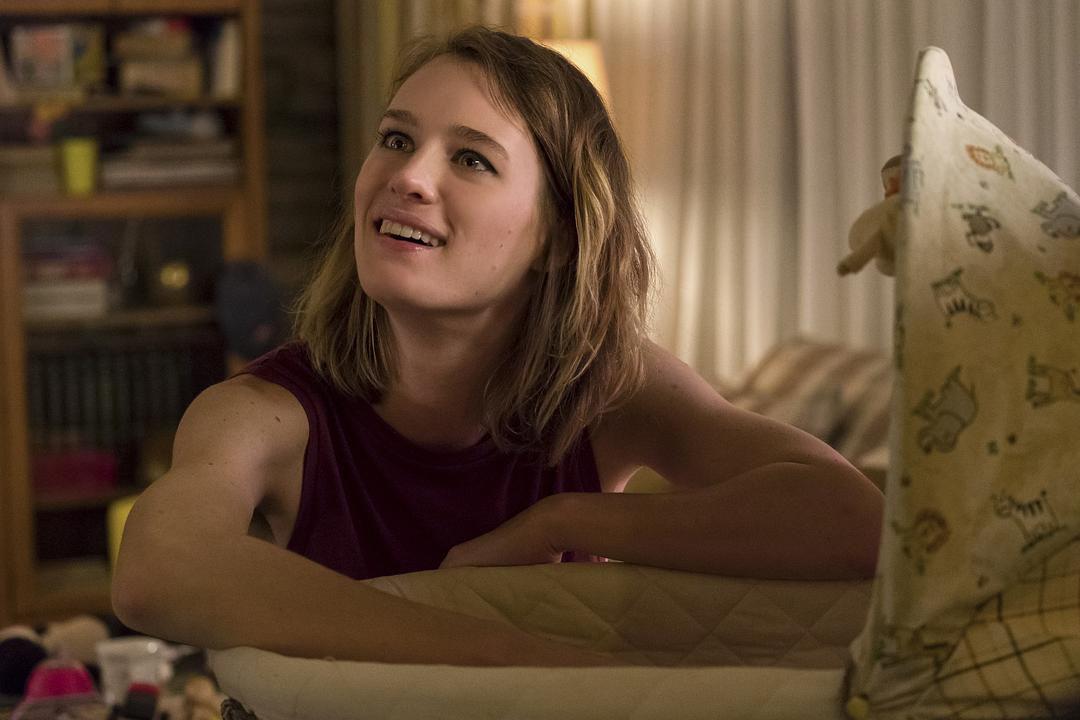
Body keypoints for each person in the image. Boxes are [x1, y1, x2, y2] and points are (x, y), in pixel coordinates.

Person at [112, 26, 883, 667]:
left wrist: (564, 522)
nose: (409, 176)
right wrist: (522, 664)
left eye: (471, 158)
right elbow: (159, 569)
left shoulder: (614, 387)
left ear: (559, 237)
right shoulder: (265, 412)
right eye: (396, 138)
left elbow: (856, 520)